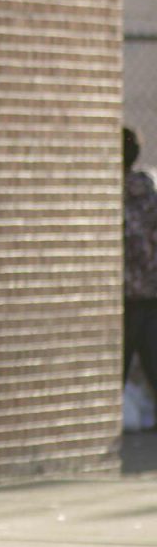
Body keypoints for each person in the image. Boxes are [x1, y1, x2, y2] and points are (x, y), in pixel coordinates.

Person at [125, 127, 157, 393]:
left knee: (114, 371)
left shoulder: (113, 197)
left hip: (124, 298)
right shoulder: (149, 195)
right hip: (151, 293)